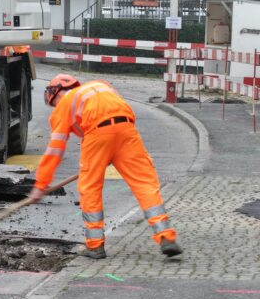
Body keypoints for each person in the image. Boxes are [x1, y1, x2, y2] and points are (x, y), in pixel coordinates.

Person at [27, 74, 183, 259]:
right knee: (145, 184)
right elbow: (119, 111)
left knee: (90, 187)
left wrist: (40, 184)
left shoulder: (64, 103)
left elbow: (55, 150)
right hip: (127, 130)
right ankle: (165, 236)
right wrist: (113, 149)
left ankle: (95, 246)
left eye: (53, 103)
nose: (55, 106)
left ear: (56, 93)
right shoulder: (100, 85)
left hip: (97, 134)